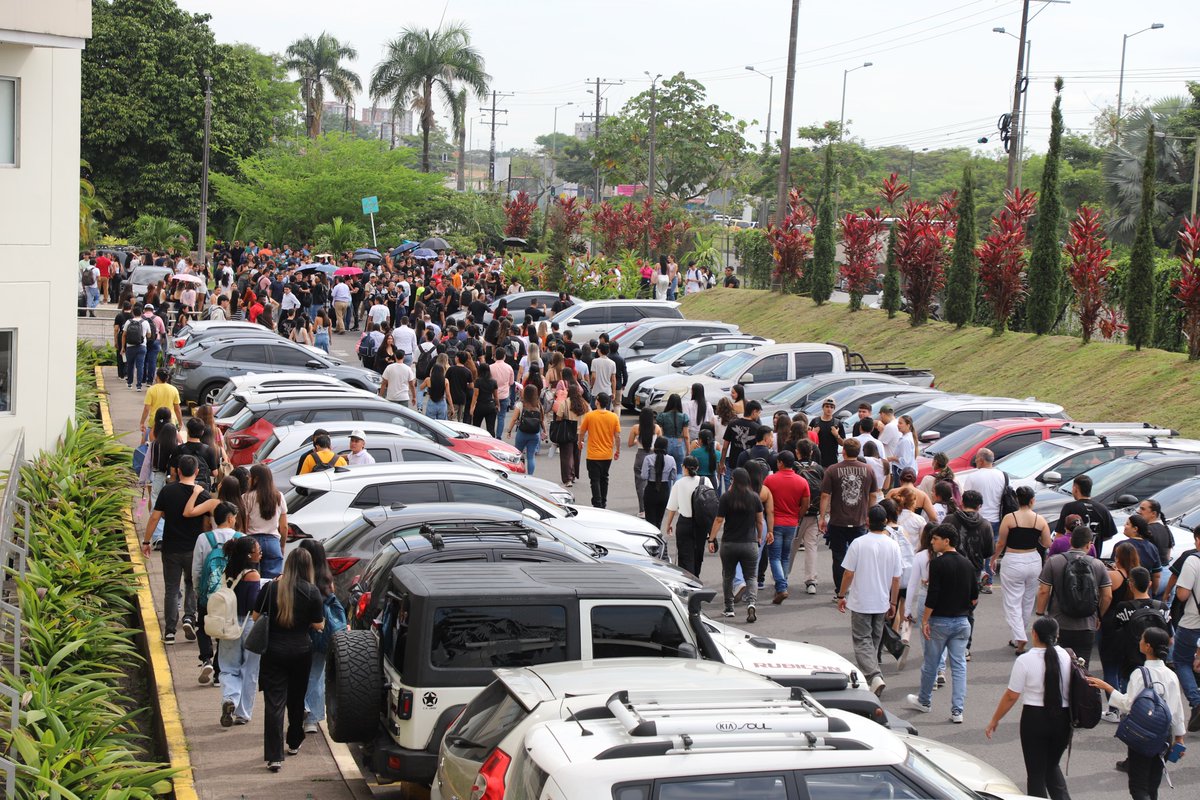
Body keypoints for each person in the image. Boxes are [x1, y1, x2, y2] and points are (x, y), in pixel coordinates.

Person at [1088, 628, 1187, 800]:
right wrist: (1179, 737)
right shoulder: (1171, 675)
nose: (1139, 641)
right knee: (1152, 785)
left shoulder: (1140, 674)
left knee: (1138, 786)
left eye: (1142, 639)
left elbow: (1128, 705)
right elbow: (1177, 709)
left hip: (1142, 735)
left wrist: (1108, 687)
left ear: (1148, 647)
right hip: (1164, 735)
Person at [984, 616, 1074, 800]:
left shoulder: (1025, 660)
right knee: (1052, 766)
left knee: (1036, 774)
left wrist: (995, 719)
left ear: (1034, 634)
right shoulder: (1067, 656)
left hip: (1035, 719)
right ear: (1057, 635)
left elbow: (1011, 696)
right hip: (1063, 718)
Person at [253, 548, 325, 773]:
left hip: (273, 651)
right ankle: (294, 741)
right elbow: (319, 624)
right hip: (301, 652)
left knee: (274, 703)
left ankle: (274, 756)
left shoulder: (271, 587)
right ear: (308, 568)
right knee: (296, 699)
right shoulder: (311, 591)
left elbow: (256, 616)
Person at [906, 524, 979, 722]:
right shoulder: (967, 564)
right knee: (959, 666)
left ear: (946, 541)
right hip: (962, 622)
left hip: (939, 621)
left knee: (931, 663)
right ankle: (957, 711)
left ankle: (925, 701)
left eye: (935, 539)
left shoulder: (937, 564)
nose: (932, 542)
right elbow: (974, 598)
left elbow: (933, 595)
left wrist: (925, 619)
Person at [141, 455, 210, 644]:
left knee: (171, 589)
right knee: (191, 585)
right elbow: (209, 523)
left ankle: (170, 631)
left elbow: (155, 518)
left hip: (171, 548)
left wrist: (147, 542)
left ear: (178, 471)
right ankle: (189, 617)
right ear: (196, 472)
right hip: (194, 549)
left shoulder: (167, 491)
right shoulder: (202, 494)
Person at [837, 504, 902, 696]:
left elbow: (848, 573)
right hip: (882, 600)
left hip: (861, 600)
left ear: (867, 521)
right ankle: (872, 679)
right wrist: (893, 602)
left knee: (861, 639)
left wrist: (841, 595)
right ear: (885, 522)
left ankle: (873, 675)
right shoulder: (893, 545)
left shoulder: (859, 543)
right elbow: (896, 578)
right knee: (874, 639)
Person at [1035, 525, 1113, 666]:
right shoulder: (1098, 565)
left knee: (1056, 665)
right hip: (1087, 624)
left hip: (1058, 623)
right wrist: (1099, 615)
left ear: (1070, 542)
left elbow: (1043, 591)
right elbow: (1107, 596)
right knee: (1082, 667)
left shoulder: (1054, 561)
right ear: (1089, 544)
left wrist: (1040, 613)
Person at [189, 499, 242, 685]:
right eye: (234, 517)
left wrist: (198, 590)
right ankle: (219, 672)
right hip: (231, 595)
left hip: (208, 593)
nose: (235, 520)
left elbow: (196, 568)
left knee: (203, 626)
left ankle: (206, 659)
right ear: (229, 518)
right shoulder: (241, 538)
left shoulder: (204, 538)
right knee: (225, 630)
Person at [994, 485, 1052, 653]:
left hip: (1013, 559)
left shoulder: (1009, 518)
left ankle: (1020, 636)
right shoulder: (1039, 520)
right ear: (1032, 500)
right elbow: (1047, 543)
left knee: (1012, 601)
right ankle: (1018, 635)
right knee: (1027, 601)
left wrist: (993, 558)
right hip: (1033, 559)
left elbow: (1001, 543)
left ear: (1017, 500)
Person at [821, 438, 881, 597]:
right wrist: (870, 514)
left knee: (838, 557)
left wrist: (822, 517)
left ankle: (839, 591)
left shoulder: (832, 470)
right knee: (860, 558)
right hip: (859, 520)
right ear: (858, 452)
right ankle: (857, 589)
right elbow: (873, 494)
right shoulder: (868, 469)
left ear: (844, 451)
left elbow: (825, 495)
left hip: (837, 521)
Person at [708, 467, 766, 623]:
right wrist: (759, 537)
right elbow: (759, 521)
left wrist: (711, 539)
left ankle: (729, 608)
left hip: (729, 543)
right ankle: (751, 604)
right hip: (749, 543)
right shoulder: (754, 497)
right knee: (751, 576)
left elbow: (719, 520)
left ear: (734, 480)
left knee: (728, 576)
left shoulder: (727, 498)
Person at [216, 535, 261, 727]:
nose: (261, 553)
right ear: (250, 554)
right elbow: (254, 605)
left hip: (228, 624)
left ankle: (230, 699)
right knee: (249, 669)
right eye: (258, 550)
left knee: (228, 667)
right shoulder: (253, 575)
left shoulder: (228, 572)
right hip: (249, 625)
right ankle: (243, 713)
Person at [298, 539, 342, 735]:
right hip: (322, 635)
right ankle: (312, 718)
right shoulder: (327, 579)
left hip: (300, 634)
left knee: (299, 675)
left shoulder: (298, 579)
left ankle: (304, 709)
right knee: (316, 676)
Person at [763, 451, 810, 604]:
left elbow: (763, 499)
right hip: (792, 523)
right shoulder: (802, 481)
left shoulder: (770, 480)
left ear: (780, 463)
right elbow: (806, 503)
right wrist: (797, 516)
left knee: (774, 556)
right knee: (785, 556)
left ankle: (782, 587)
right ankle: (782, 584)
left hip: (775, 522)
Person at [1098, 540, 1140, 713]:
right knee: (1125, 668)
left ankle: (1114, 709)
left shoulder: (1114, 575)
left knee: (1110, 667)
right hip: (1130, 623)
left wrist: (1100, 614)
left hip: (1111, 623)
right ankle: (1126, 703)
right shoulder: (1137, 575)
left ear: (1118, 557)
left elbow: (1106, 597)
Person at [960, 448, 1007, 590]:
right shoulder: (1002, 476)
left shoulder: (973, 477)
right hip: (995, 519)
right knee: (989, 551)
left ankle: (972, 581)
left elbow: (966, 498)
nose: (975, 460)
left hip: (977, 519)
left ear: (981, 459)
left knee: (973, 550)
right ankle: (988, 582)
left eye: (976, 458)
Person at [1172, 524, 1200, 733]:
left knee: (1182, 661)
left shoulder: (1193, 561)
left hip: (1193, 623)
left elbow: (1181, 594)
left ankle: (1196, 701)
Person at [788, 439, 825, 594]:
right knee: (811, 547)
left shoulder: (794, 468)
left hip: (797, 514)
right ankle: (811, 581)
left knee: (792, 547)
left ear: (797, 452)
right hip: (814, 513)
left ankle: (783, 575)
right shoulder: (819, 468)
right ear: (811, 452)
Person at [664, 456, 708, 578]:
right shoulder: (705, 481)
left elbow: (672, 507)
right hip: (701, 525)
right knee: (698, 554)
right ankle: (696, 577)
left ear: (683, 467)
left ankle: (689, 581)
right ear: (697, 468)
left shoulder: (679, 484)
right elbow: (711, 504)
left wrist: (669, 524)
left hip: (684, 523)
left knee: (685, 555)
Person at [242, 464, 287, 579]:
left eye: (250, 477)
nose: (248, 480)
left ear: (256, 479)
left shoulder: (246, 497)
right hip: (273, 542)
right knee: (272, 582)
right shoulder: (279, 496)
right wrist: (281, 545)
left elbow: (245, 525)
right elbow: (284, 527)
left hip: (252, 542)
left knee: (251, 579)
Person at [1053, 473, 1117, 551]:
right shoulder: (1103, 509)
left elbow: (1060, 534)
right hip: (1093, 558)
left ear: (1075, 488)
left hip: (1070, 556)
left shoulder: (1069, 508)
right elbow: (1109, 535)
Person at [578, 393, 621, 509]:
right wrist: (618, 450)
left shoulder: (590, 416)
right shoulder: (613, 417)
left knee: (594, 480)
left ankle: (597, 503)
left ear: (597, 402)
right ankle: (603, 501)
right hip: (607, 455)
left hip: (593, 455)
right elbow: (617, 436)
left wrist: (579, 443)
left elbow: (581, 432)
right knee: (604, 478)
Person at [506, 384, 545, 476]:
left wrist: (509, 430)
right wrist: (544, 431)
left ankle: (516, 473)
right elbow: (542, 420)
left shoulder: (520, 405)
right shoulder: (539, 406)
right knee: (531, 456)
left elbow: (514, 419)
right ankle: (530, 476)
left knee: (517, 454)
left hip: (522, 432)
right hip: (535, 434)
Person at [1137, 499, 1174, 596]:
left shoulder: (1146, 531)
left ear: (1153, 513)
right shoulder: (1166, 528)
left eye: (1142, 509)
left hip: (1154, 577)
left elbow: (1143, 558)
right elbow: (1168, 553)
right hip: (1167, 575)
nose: (1138, 511)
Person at [640, 436, 677, 528]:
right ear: (666, 447)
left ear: (655, 445)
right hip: (664, 489)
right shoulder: (671, 459)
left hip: (651, 489)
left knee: (650, 520)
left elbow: (644, 476)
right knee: (659, 519)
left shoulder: (648, 458)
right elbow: (673, 476)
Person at [139, 367, 182, 432]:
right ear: (167, 378)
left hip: (154, 421)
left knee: (146, 439)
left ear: (157, 377)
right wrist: (180, 423)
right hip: (170, 421)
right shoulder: (174, 389)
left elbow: (146, 409)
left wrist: (142, 423)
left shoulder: (151, 390)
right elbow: (177, 409)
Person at [657, 395, 690, 478]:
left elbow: (660, 433)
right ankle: (676, 488)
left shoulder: (662, 416)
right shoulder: (684, 417)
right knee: (679, 470)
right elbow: (686, 436)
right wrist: (689, 451)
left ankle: (668, 490)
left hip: (666, 442)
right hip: (679, 442)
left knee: (666, 470)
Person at [489, 348, 516, 439]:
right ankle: (499, 436)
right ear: (504, 356)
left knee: (491, 417)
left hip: (492, 395)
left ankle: (491, 435)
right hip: (504, 395)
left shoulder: (490, 367)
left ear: (495, 356)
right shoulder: (509, 368)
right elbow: (512, 383)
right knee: (501, 417)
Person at [812, 397, 845, 468]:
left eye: (831, 407)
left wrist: (837, 435)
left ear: (834, 409)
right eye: (827, 406)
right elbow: (807, 443)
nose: (829, 409)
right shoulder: (815, 422)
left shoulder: (837, 423)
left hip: (832, 461)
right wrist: (814, 434)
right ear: (823, 408)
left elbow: (843, 443)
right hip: (817, 460)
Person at [469, 359, 499, 437]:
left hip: (480, 406)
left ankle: (476, 441)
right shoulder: (493, 381)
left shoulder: (478, 381)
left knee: (476, 427)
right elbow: (496, 396)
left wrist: (472, 407)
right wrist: (498, 405)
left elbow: (475, 395)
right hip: (490, 405)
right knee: (491, 428)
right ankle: (492, 442)